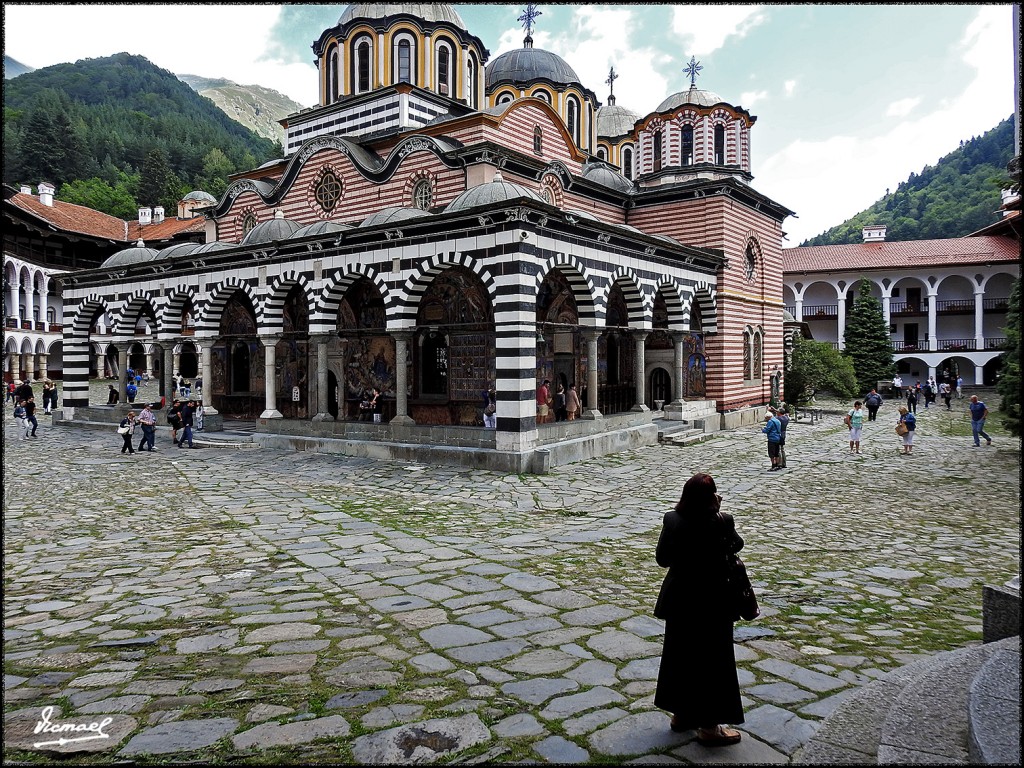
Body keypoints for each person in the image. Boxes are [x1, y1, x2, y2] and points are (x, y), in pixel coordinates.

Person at [653, 472, 745, 747]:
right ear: (712, 497)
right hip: (713, 601)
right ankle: (709, 726)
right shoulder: (721, 521)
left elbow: (662, 558)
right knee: (714, 662)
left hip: (680, 599)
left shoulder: (673, 519)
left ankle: (681, 715)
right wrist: (717, 513)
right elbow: (737, 545)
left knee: (680, 655)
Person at [776, 404, 790, 468]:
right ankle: (784, 463)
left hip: (778, 434)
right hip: (784, 433)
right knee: (782, 449)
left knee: (778, 449)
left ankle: (779, 463)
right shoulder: (786, 418)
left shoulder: (778, 418)